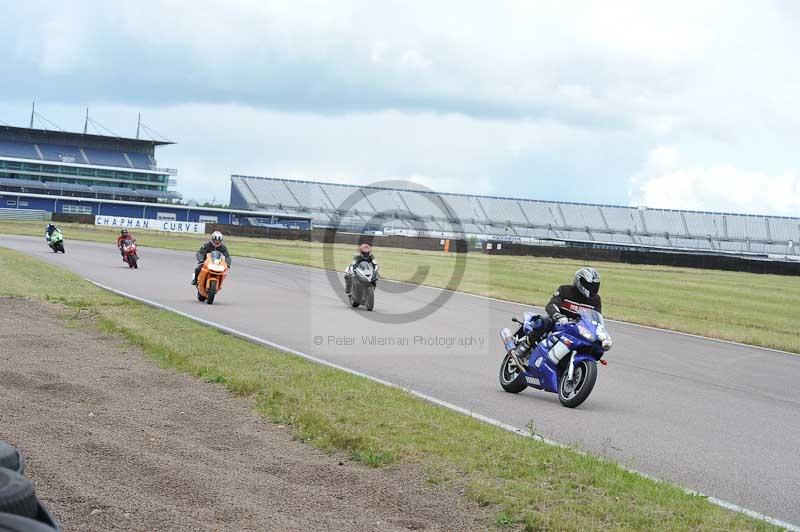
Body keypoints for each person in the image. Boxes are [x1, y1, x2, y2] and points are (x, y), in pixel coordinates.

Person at [512, 267, 602, 363]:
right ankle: (525, 346)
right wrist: (558, 316)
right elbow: (552, 305)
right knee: (545, 322)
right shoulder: (565, 290)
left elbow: (596, 319)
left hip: (578, 330)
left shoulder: (595, 300)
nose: (592, 288)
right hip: (560, 323)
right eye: (589, 285)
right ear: (579, 281)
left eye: (594, 286)